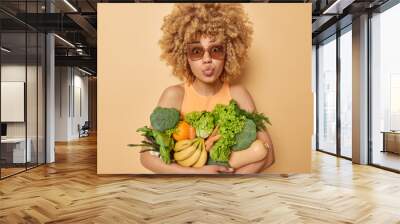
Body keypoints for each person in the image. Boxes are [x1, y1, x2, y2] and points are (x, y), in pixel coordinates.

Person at [140, 3, 275, 174]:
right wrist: (198, 174)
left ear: (229, 53)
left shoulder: (238, 94)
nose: (207, 59)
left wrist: (225, 184)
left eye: (216, 50)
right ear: (184, 56)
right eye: (196, 51)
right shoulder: (174, 95)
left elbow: (269, 156)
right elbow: (146, 156)